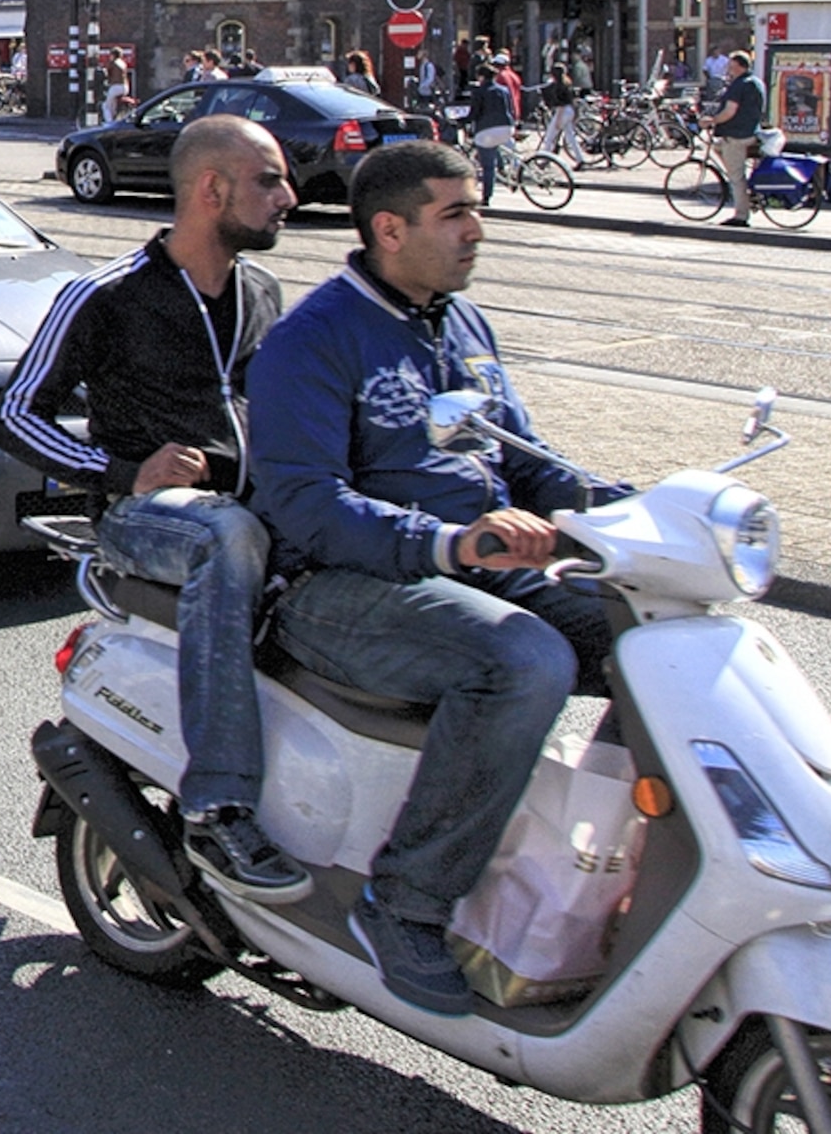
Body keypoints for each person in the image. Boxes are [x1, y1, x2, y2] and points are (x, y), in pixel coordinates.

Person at [246, 140, 616, 1015]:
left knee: (644, 630)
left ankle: (592, 858)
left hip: (470, 565)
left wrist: (636, 508)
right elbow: (303, 505)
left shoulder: (459, 321)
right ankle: (406, 901)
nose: (478, 230)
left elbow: (527, 463)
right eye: (456, 213)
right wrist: (452, 546)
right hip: (335, 588)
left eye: (474, 209)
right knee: (522, 661)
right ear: (389, 228)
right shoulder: (315, 340)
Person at [0, 115, 306, 903]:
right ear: (212, 189)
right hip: (147, 522)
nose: (289, 197)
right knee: (227, 537)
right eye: (269, 180)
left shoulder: (262, 294)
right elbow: (20, 414)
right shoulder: (107, 296)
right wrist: (125, 471)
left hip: (243, 513)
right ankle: (216, 804)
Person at [703, 49, 767, 227]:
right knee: (718, 147)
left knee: (736, 177)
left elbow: (730, 111)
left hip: (737, 135)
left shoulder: (739, 85)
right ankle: (746, 193)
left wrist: (712, 121)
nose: (728, 69)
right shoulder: (756, 82)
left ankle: (741, 215)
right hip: (751, 133)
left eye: (731, 65)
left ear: (739, 66)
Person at [465, 56, 516, 205]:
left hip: (487, 130)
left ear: (480, 76)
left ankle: (486, 197)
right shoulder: (504, 90)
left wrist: (461, 121)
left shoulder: (479, 91)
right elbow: (511, 109)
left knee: (487, 165)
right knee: (494, 145)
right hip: (507, 127)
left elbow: (474, 113)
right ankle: (502, 168)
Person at [537, 56, 579, 164]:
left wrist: (558, 120)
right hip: (570, 110)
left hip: (563, 111)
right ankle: (579, 159)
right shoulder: (567, 83)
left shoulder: (558, 86)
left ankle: (545, 159)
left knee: (550, 136)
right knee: (570, 136)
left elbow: (560, 103)